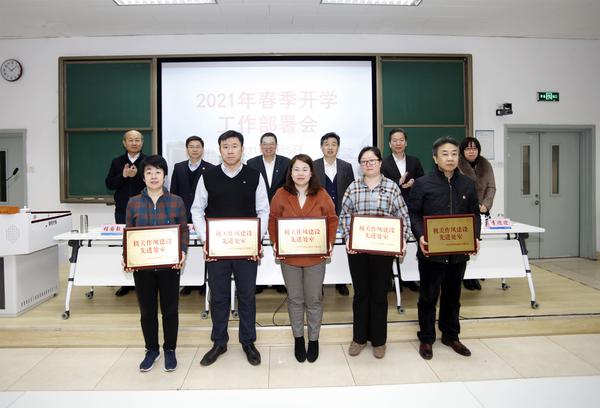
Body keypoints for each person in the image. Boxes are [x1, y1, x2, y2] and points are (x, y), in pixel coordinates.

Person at [191, 130, 269, 367]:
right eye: (225, 147)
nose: (230, 151)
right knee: (219, 296)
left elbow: (263, 210)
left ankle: (248, 341)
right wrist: (207, 239)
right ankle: (219, 342)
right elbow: (197, 209)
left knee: (247, 295)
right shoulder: (208, 176)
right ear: (220, 150)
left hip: (246, 249)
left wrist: (256, 240)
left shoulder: (254, 175)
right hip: (217, 250)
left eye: (235, 146)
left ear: (242, 149)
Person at [407, 136, 480, 361]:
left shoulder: (467, 184)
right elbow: (414, 214)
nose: (450, 158)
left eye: (454, 154)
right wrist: (420, 235)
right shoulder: (423, 184)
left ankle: (451, 336)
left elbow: (474, 214)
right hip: (431, 253)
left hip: (458, 252)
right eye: (445, 154)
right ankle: (427, 338)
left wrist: (475, 236)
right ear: (435, 158)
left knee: (453, 296)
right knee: (428, 297)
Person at [339, 146, 410, 359]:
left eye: (372, 160)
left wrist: (402, 240)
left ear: (380, 163)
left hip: (383, 251)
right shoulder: (353, 187)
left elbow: (403, 216)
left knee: (379, 295)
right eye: (364, 161)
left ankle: (379, 340)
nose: (368, 164)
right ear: (360, 165)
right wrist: (348, 238)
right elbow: (344, 216)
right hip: (358, 251)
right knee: (361, 294)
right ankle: (359, 338)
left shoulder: (391, 187)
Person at [268, 154, 338, 363]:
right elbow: (273, 220)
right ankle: (298, 338)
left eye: (305, 169)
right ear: (290, 173)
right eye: (296, 169)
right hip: (289, 258)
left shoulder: (321, 194)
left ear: (311, 173)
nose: (300, 173)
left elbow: (332, 220)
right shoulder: (281, 194)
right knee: (295, 299)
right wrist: (275, 241)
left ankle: (313, 340)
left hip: (315, 257)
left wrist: (329, 242)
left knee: (314, 299)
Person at [122, 155, 188, 372]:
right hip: (143, 268)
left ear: (164, 175)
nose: (153, 176)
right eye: (149, 172)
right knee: (147, 311)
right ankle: (151, 349)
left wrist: (183, 251)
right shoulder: (133, 202)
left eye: (158, 172)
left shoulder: (176, 201)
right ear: (143, 177)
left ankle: (170, 349)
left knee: (170, 310)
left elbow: (183, 231)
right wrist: (126, 256)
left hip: (170, 267)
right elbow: (129, 233)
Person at [381, 127, 424, 293]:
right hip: (391, 210)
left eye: (401, 140)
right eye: (394, 140)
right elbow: (382, 185)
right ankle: (390, 279)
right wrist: (398, 182)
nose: (398, 143)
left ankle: (409, 279)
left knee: (411, 243)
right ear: (389, 144)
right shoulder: (383, 163)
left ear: (406, 143)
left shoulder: (415, 161)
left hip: (413, 208)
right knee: (390, 245)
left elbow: (423, 181)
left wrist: (414, 183)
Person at [170, 135, 214, 296]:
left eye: (197, 146)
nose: (195, 149)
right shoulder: (179, 167)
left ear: (202, 149)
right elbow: (174, 191)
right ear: (187, 149)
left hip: (203, 215)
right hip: (182, 214)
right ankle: (189, 283)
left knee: (204, 247)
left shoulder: (211, 168)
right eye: (191, 146)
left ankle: (204, 283)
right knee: (186, 248)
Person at [247, 132, 290, 294]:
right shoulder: (252, 163)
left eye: (271, 143)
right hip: (258, 211)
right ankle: (259, 282)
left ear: (276, 145)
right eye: (265, 144)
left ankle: (279, 282)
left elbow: (289, 186)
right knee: (258, 243)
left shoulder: (286, 162)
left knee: (279, 244)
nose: (268, 147)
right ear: (260, 146)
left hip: (281, 211)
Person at [106, 129, 146, 297]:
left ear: (142, 142)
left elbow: (154, 183)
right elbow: (109, 184)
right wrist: (123, 175)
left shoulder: (147, 161)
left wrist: (136, 176)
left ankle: (143, 281)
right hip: (122, 210)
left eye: (137, 140)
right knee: (125, 245)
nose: (134, 143)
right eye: (131, 140)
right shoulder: (117, 162)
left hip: (144, 210)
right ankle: (126, 283)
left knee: (142, 244)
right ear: (124, 143)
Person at [313, 132, 355, 296]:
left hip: (341, 214)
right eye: (326, 144)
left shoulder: (346, 167)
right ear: (321, 147)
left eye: (333, 144)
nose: (330, 147)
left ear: (338, 147)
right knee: (320, 248)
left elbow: (351, 191)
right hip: (319, 215)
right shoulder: (314, 165)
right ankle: (318, 284)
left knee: (341, 248)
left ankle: (341, 282)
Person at [458, 137, 496, 291]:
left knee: (478, 244)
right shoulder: (457, 164)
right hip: (464, 211)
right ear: (462, 151)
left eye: (474, 148)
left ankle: (475, 275)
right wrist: (473, 205)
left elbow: (491, 187)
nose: (471, 151)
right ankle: (466, 277)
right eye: (468, 148)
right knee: (465, 245)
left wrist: (486, 204)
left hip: (482, 211)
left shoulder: (486, 164)